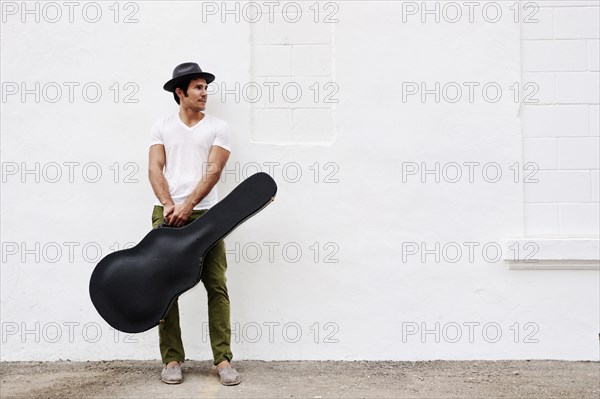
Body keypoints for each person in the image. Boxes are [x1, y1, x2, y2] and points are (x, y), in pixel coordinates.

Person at [148, 62, 240, 386]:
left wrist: (189, 205)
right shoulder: (161, 126)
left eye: (206, 88)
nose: (204, 93)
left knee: (216, 285)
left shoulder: (218, 127)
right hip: (168, 213)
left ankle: (223, 359)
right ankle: (172, 358)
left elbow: (213, 170)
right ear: (180, 92)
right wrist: (171, 205)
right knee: (165, 289)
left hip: (207, 216)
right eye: (198, 88)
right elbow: (155, 169)